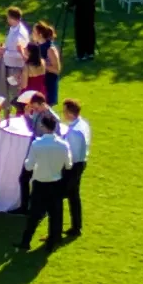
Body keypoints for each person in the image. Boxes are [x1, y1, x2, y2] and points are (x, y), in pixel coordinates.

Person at [20, 110, 73, 250]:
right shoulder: (63, 145)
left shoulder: (37, 144)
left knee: (34, 215)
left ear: (43, 126)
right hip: (56, 183)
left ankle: (26, 242)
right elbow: (68, 165)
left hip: (40, 183)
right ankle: (52, 242)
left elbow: (29, 166)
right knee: (54, 215)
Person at [61, 98, 91, 237]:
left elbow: (71, 153)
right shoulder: (83, 124)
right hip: (80, 163)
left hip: (73, 166)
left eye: (64, 111)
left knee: (58, 196)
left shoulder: (74, 132)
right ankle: (76, 227)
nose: (63, 114)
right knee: (73, 196)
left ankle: (56, 231)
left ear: (70, 113)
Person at [0, 6, 31, 101]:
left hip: (16, 68)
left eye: (8, 17)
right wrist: (4, 48)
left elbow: (21, 54)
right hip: (9, 65)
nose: (7, 20)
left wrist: (5, 52)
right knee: (8, 94)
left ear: (12, 18)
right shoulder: (12, 28)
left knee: (15, 95)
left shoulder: (20, 33)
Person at [31, 21, 62, 106]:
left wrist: (43, 65)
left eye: (34, 32)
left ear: (40, 34)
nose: (32, 34)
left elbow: (57, 70)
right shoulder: (37, 46)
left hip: (48, 84)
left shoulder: (50, 49)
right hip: (39, 83)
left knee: (46, 109)